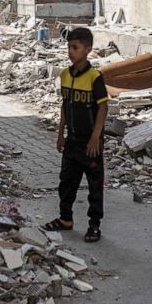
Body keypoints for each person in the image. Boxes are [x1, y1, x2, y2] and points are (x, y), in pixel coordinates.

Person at [43, 27, 108, 243]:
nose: (71, 51)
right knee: (66, 181)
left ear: (87, 49)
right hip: (72, 140)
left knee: (94, 185)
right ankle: (65, 219)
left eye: (75, 47)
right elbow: (64, 105)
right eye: (69, 47)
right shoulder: (64, 75)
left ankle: (94, 225)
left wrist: (95, 138)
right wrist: (61, 133)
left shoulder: (94, 77)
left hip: (90, 142)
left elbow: (103, 108)